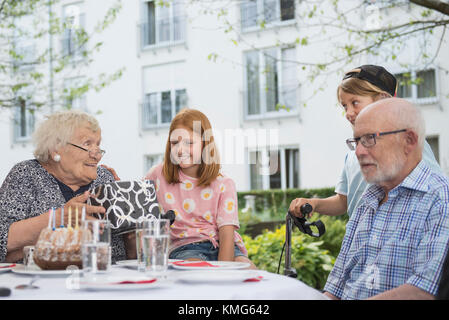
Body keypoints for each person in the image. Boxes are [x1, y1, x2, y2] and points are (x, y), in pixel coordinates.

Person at [323, 98, 449, 300]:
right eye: (356, 141)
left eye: (369, 139)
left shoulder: (440, 198)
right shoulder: (369, 198)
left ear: (409, 141)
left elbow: (424, 292)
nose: (358, 152)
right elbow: (336, 286)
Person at [289, 65, 441, 219]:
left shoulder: (407, 146)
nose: (348, 113)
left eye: (355, 102)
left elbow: (434, 189)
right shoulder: (353, 156)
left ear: (384, 101)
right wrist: (314, 203)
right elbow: (343, 201)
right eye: (344, 106)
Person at [0, 110, 133, 263]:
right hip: (39, 281)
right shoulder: (26, 174)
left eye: (98, 145)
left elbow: (127, 256)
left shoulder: (104, 179)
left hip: (103, 279)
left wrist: (131, 227)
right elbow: (3, 237)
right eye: (87, 144)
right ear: (56, 149)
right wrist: (59, 219)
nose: (97, 154)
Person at [145, 108, 256, 269]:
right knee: (196, 269)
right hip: (185, 248)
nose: (180, 150)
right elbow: (135, 197)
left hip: (224, 247)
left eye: (189, 143)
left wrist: (224, 271)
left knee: (249, 270)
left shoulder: (224, 183)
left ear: (205, 144)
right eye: (175, 143)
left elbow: (226, 236)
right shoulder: (157, 175)